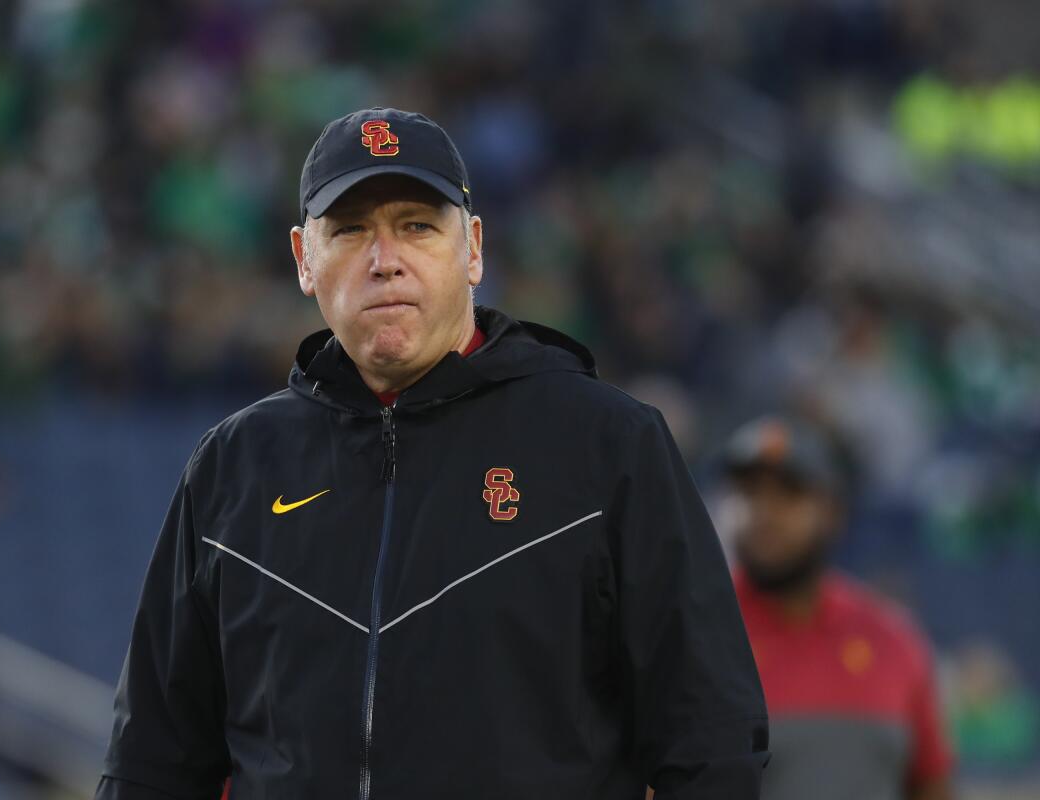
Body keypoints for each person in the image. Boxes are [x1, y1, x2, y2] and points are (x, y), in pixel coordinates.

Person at [94, 106, 769, 800]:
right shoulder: (233, 468)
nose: (385, 261)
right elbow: (151, 760)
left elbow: (710, 741)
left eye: (416, 225)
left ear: (473, 248)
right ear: (304, 260)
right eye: (351, 230)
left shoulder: (608, 447)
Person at [718, 414, 955, 800]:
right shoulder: (699, 634)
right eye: (748, 492)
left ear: (832, 512)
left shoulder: (892, 640)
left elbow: (932, 783)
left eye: (788, 493)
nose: (764, 511)